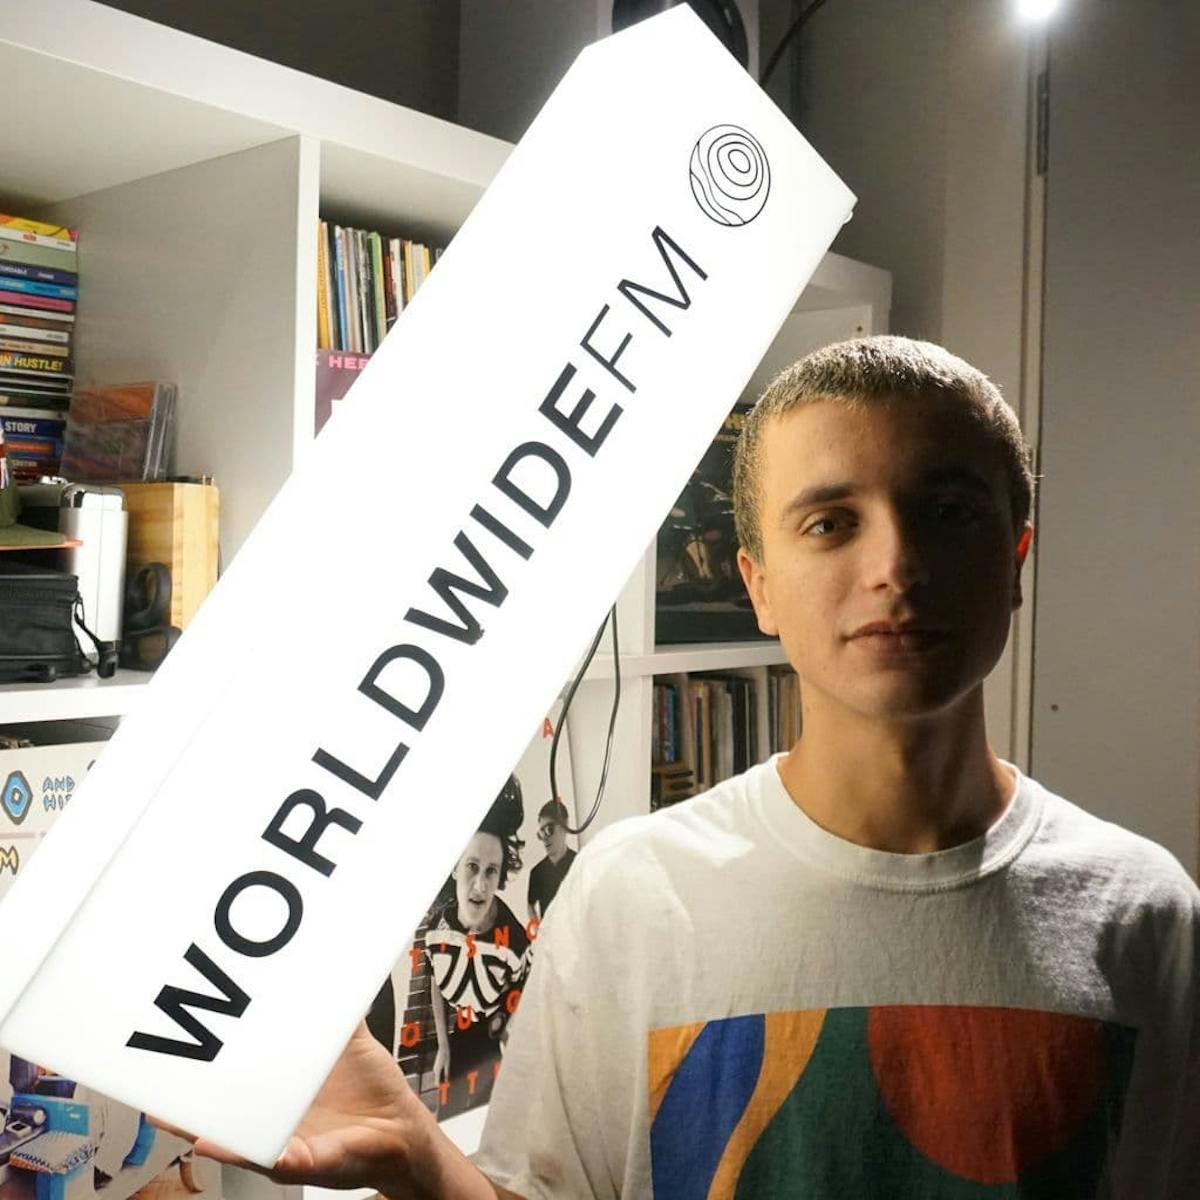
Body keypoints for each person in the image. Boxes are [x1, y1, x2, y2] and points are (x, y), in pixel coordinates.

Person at [164, 336, 1198, 1198]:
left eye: (950, 511)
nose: (895, 564)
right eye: (830, 523)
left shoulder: (1143, 914)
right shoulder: (633, 896)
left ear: (1015, 559)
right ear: (758, 586)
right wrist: (421, 1159)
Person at [423, 777, 529, 1117]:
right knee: (447, 1124)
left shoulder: (516, 941)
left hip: (496, 1045)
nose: (480, 886)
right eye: (472, 867)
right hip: (457, 1037)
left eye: (491, 871)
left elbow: (526, 993)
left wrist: (508, 1034)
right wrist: (443, 1046)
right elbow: (436, 982)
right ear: (455, 867)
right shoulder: (436, 931)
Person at [526, 798, 577, 922]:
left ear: (565, 825)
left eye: (549, 829)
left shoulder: (580, 864)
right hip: (550, 934)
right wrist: (538, 928)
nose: (545, 838)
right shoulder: (537, 873)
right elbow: (530, 904)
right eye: (541, 833)